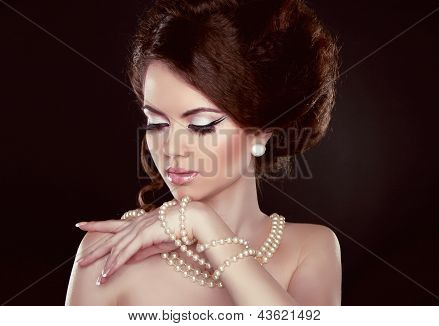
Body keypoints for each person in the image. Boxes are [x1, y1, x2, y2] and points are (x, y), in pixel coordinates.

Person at [65, 0, 342, 306]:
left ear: (262, 131)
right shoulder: (109, 252)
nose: (171, 148)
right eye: (157, 123)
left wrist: (205, 225)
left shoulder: (311, 249)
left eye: (201, 125)